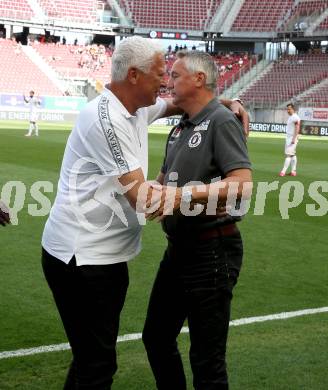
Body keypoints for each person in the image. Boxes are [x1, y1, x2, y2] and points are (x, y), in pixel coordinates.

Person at [41, 36, 248, 389]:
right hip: (84, 259)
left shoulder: (137, 107)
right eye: (159, 73)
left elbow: (178, 107)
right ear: (134, 76)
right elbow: (143, 198)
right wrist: (173, 193)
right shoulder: (106, 120)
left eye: (173, 74)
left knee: (96, 358)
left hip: (116, 255)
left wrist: (224, 102)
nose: (165, 81)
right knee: (97, 364)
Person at [142, 51, 252, 390]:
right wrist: (151, 192)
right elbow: (161, 183)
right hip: (178, 252)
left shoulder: (221, 121)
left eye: (175, 76)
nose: (167, 82)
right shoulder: (179, 129)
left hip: (212, 251)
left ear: (199, 79)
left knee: (207, 362)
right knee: (156, 338)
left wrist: (184, 197)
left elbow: (242, 184)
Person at [279, 103, 301, 177]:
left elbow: (297, 128)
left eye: (289, 109)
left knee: (288, 155)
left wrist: (294, 138)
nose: (288, 110)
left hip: (292, 138)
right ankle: (293, 171)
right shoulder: (291, 117)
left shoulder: (295, 117)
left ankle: (283, 171)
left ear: (293, 109)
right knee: (292, 154)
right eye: (287, 109)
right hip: (289, 138)